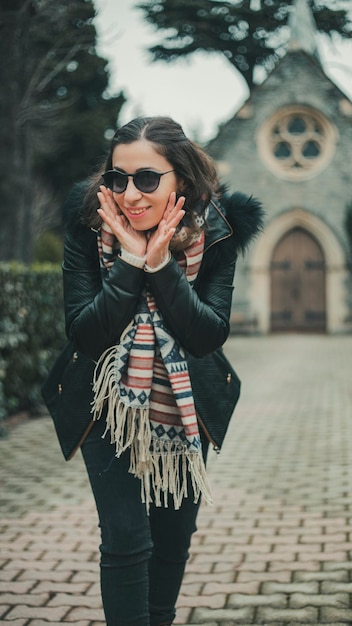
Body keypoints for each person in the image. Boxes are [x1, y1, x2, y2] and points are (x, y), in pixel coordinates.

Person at [61, 116, 263, 626]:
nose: (130, 194)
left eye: (147, 178)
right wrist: (130, 264)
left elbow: (205, 334)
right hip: (104, 403)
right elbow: (85, 333)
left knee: (172, 541)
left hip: (189, 404)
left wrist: (160, 266)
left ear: (182, 181)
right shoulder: (88, 225)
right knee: (127, 536)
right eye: (118, 178)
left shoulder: (217, 230)